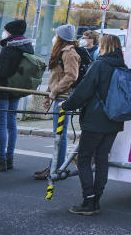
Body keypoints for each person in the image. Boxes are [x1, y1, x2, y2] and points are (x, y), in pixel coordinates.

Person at [62, 34, 127, 216]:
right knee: (101, 159)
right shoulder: (122, 66)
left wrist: (66, 104)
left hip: (95, 120)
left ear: (103, 47)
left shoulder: (99, 65)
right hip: (114, 120)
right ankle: (96, 199)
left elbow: (83, 90)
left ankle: (88, 201)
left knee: (84, 158)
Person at [0, 19, 34, 172]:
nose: (4, 33)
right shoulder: (27, 47)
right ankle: (9, 157)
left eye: (6, 30)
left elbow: (2, 73)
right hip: (16, 89)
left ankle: (0, 159)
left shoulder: (9, 48)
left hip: (3, 89)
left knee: (1, 125)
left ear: (10, 32)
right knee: (12, 124)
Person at [33, 24, 81, 180]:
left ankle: (56, 168)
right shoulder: (61, 52)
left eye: (56, 35)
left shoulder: (69, 53)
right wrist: (48, 95)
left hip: (63, 98)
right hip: (58, 96)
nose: (54, 37)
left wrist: (54, 92)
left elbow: (71, 76)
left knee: (59, 134)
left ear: (61, 38)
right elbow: (56, 77)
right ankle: (54, 167)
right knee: (58, 134)